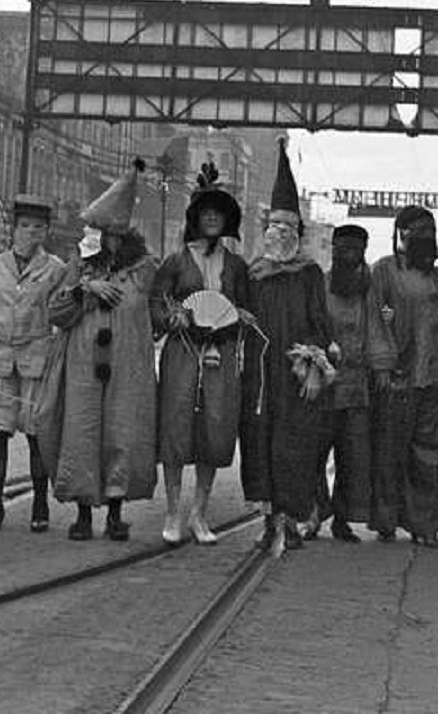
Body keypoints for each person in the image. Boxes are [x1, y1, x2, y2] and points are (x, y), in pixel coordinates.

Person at [41, 161, 159, 541]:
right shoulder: (79, 268)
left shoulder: (144, 271)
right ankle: (82, 514)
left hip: (126, 368)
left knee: (120, 435)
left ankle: (115, 513)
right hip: (82, 368)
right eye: (99, 232)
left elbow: (157, 311)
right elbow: (56, 313)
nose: (103, 239)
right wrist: (85, 291)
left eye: (109, 233)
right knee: (82, 433)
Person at [152, 161, 252, 546]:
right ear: (196, 218)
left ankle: (200, 514)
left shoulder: (237, 266)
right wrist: (171, 316)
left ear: (226, 220)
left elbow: (246, 309)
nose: (212, 219)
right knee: (176, 427)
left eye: (218, 214)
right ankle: (173, 512)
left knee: (215, 427)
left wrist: (240, 316)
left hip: (221, 358)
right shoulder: (175, 262)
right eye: (206, 213)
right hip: (182, 353)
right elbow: (156, 305)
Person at [241, 141, 334, 553]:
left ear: (298, 234)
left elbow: (321, 326)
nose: (280, 236)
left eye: (288, 230)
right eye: (273, 229)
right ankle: (267, 520)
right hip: (260, 378)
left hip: (296, 376)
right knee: (260, 445)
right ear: (265, 233)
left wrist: (314, 368)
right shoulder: (253, 274)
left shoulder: (309, 274)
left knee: (294, 447)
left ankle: (293, 520)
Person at [0, 193, 65, 533]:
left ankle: (40, 503)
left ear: (46, 232)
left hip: (36, 360)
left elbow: (60, 314)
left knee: (37, 433)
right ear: (14, 229)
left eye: (38, 227)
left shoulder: (55, 269)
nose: (30, 233)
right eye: (24, 226)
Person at [368, 204, 438, 548]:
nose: (426, 237)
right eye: (418, 230)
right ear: (401, 235)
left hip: (435, 381)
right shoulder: (383, 273)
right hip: (397, 378)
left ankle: (424, 524)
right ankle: (387, 520)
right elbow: (375, 320)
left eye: (431, 230)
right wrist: (381, 364)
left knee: (427, 455)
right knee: (391, 451)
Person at [310, 223, 393, 542]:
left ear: (363, 253)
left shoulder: (369, 291)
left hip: (358, 389)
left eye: (355, 250)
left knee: (352, 457)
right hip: (323, 387)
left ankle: (342, 519)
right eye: (343, 248)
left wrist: (382, 366)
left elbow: (377, 331)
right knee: (316, 453)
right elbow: (311, 326)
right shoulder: (320, 286)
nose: (349, 255)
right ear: (333, 250)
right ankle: (316, 510)